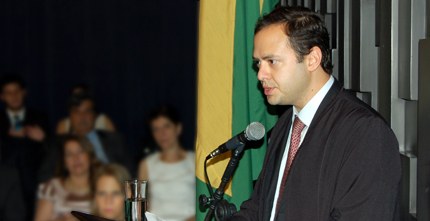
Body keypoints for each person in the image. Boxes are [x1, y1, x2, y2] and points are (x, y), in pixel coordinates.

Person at [230, 6, 401, 221]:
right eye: (258, 64)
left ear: (312, 59)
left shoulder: (366, 133)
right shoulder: (286, 124)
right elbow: (261, 209)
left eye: (272, 61)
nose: (261, 74)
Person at [0, 74, 49, 220]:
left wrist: (44, 139)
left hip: (35, 184)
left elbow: (53, 152)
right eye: (9, 93)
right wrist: (6, 135)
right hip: (5, 188)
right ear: (2, 97)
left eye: (17, 91)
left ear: (24, 92)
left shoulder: (39, 118)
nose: (14, 96)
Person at [138, 106, 195, 221]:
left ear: (178, 128)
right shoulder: (147, 164)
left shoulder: (195, 161)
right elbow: (141, 206)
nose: (161, 133)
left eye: (166, 126)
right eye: (156, 129)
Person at [34, 135, 98, 221]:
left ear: (90, 156)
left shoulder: (103, 186)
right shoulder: (52, 188)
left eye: (80, 152)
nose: (76, 158)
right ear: (64, 162)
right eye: (69, 154)